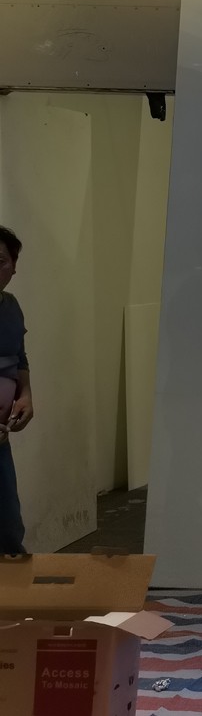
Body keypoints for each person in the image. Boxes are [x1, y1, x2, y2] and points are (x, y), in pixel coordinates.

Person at [0, 225, 35, 553]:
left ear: (13, 266)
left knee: (9, 526)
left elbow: (19, 359)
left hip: (0, 438)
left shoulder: (11, 307)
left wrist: (25, 396)